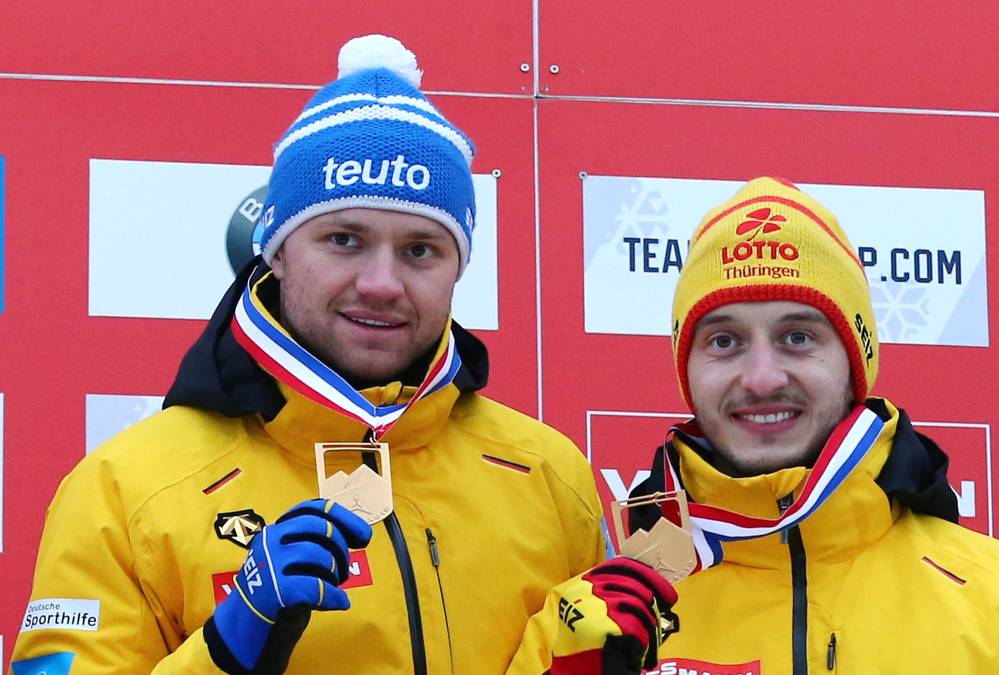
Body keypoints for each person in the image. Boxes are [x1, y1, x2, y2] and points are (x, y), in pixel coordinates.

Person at [11, 35, 673, 675]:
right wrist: (225, 650)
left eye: (420, 249)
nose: (382, 282)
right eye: (345, 239)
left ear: (457, 267)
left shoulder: (550, 477)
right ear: (278, 248)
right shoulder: (125, 489)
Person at [624, 177, 999, 674]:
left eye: (797, 337)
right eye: (724, 341)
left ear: (856, 362)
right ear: (688, 369)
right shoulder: (610, 618)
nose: (762, 378)